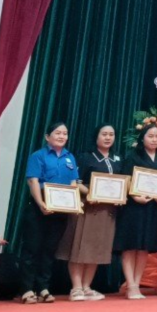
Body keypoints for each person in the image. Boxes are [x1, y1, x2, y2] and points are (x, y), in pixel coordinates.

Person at [58, 124, 121, 301]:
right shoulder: (85, 157)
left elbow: (122, 183)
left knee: (96, 248)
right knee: (79, 247)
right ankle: (76, 288)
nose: (108, 138)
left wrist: (120, 196)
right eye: (104, 134)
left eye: (111, 134)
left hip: (106, 210)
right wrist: (91, 194)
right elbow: (76, 182)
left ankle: (87, 287)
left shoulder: (117, 158)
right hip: (87, 206)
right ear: (96, 136)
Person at [18, 122, 77, 303]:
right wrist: (41, 203)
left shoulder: (70, 157)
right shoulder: (38, 155)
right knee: (32, 248)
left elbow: (73, 183)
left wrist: (73, 204)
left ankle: (43, 287)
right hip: (40, 205)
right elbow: (33, 181)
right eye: (57, 133)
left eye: (65, 133)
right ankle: (27, 289)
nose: (62, 136)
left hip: (61, 207)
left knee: (50, 250)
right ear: (47, 136)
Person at [114, 123, 157, 299]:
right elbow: (126, 179)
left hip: (153, 208)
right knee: (130, 246)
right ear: (142, 138)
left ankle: (137, 284)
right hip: (134, 208)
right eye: (150, 136)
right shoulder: (133, 156)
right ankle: (130, 285)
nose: (154, 140)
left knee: (144, 247)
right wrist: (134, 195)